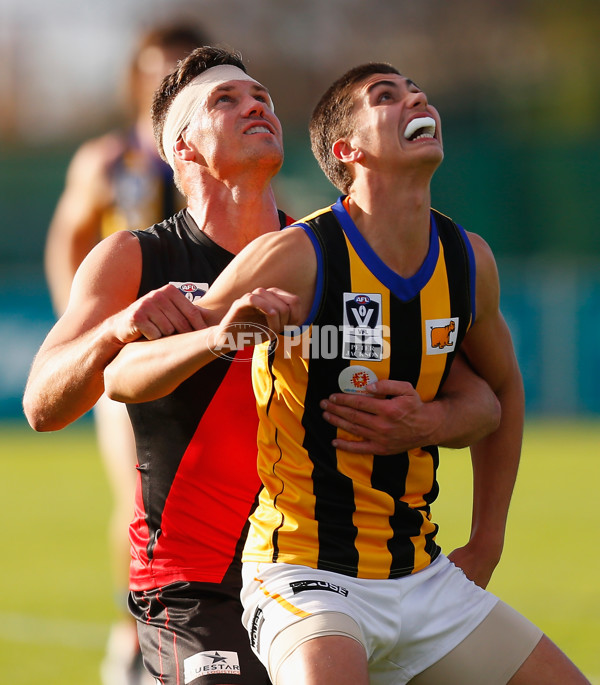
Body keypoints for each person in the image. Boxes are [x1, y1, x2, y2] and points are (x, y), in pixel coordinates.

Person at [24, 48, 499, 685]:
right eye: (227, 100)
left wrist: (427, 421)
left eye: (263, 98)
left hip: (330, 575)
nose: (257, 106)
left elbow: (480, 398)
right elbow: (42, 406)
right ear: (183, 146)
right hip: (195, 588)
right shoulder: (134, 259)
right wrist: (117, 327)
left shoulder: (327, 251)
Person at [104, 62, 591, 684]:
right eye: (386, 97)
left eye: (418, 90)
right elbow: (123, 375)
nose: (416, 98)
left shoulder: (469, 260)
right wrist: (216, 337)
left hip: (423, 576)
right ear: (347, 150)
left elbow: (501, 391)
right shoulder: (297, 255)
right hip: (305, 577)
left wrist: (486, 536)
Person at [42, 23, 207, 685]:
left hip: (200, 356)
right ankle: (128, 634)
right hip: (126, 360)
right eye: (159, 63)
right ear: (139, 75)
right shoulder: (111, 160)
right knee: (140, 495)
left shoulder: (216, 155)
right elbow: (68, 236)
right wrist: (80, 327)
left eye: (185, 63)